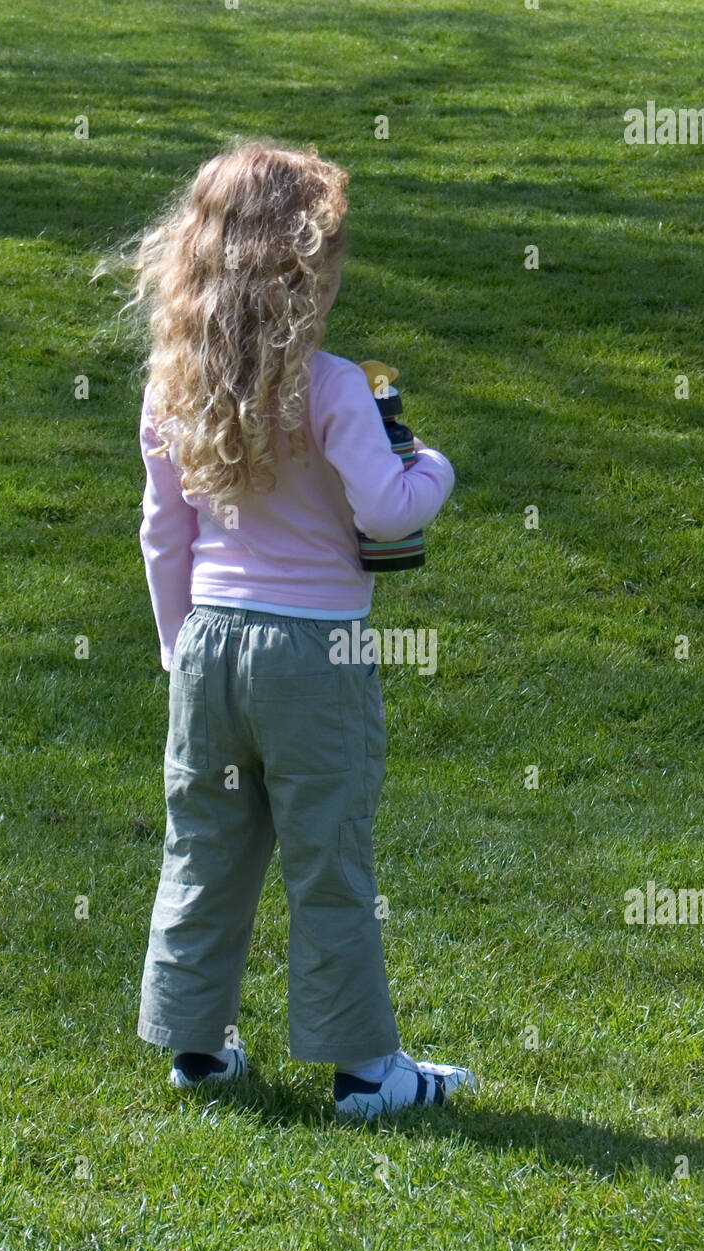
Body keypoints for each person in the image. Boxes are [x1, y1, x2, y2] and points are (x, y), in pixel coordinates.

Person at [104, 136, 476, 1121]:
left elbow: (161, 529)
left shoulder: (173, 385)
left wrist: (177, 645)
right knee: (329, 858)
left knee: (206, 848)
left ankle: (195, 1048)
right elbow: (390, 511)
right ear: (306, 268)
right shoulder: (336, 386)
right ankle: (366, 1072)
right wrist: (435, 465)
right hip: (317, 654)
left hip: (212, 648)